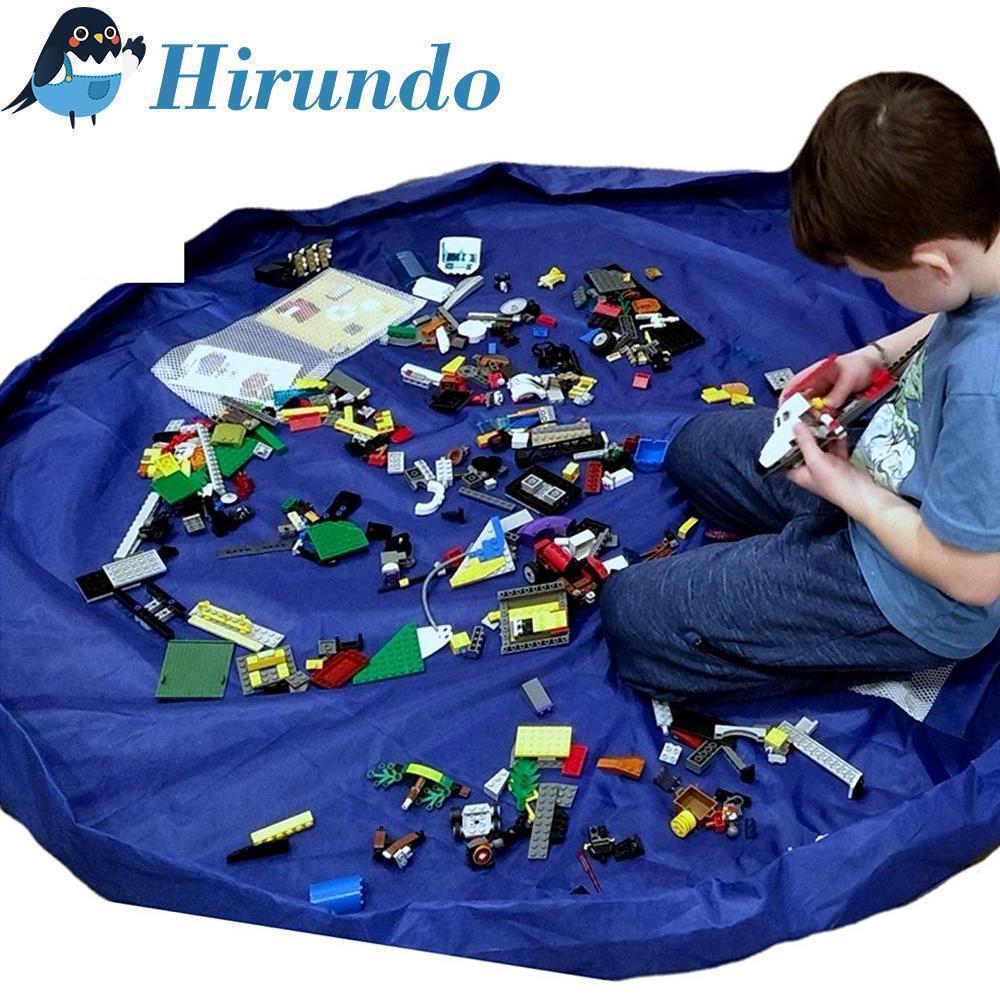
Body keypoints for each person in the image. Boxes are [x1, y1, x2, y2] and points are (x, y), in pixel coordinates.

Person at [600, 72, 1000, 701]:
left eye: (880, 279)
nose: (880, 291)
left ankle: (831, 640)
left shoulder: (986, 386)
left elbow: (974, 579)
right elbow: (954, 305)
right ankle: (804, 561)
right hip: (891, 468)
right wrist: (874, 356)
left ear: (932, 262)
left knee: (633, 616)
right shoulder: (982, 248)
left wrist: (846, 490)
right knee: (695, 446)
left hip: (916, 588)